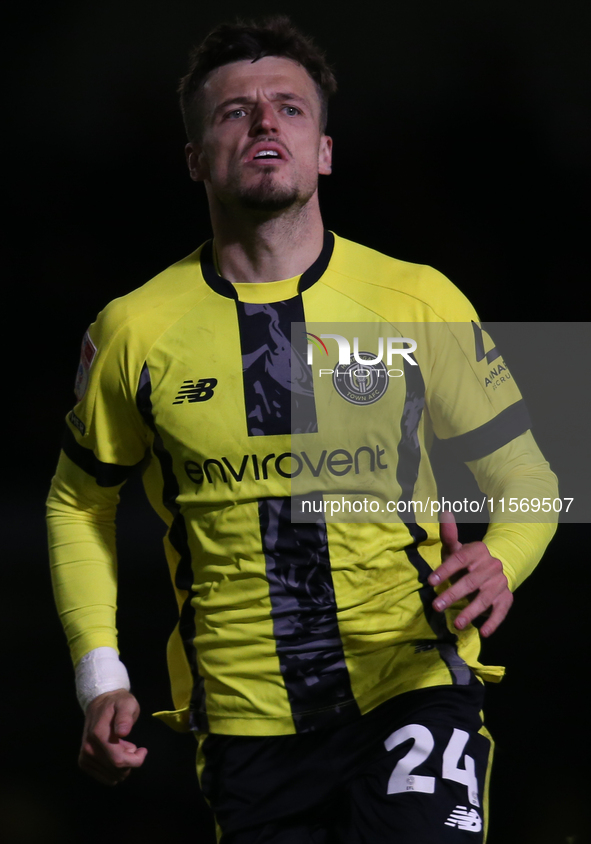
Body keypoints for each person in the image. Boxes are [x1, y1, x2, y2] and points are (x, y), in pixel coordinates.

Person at [47, 16, 558, 843]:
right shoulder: (132, 329)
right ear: (194, 161)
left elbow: (530, 477)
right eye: (232, 111)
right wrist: (100, 678)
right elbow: (77, 502)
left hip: (411, 680)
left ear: (323, 150)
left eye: (287, 108)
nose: (262, 123)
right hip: (244, 721)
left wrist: (502, 559)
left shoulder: (417, 297)